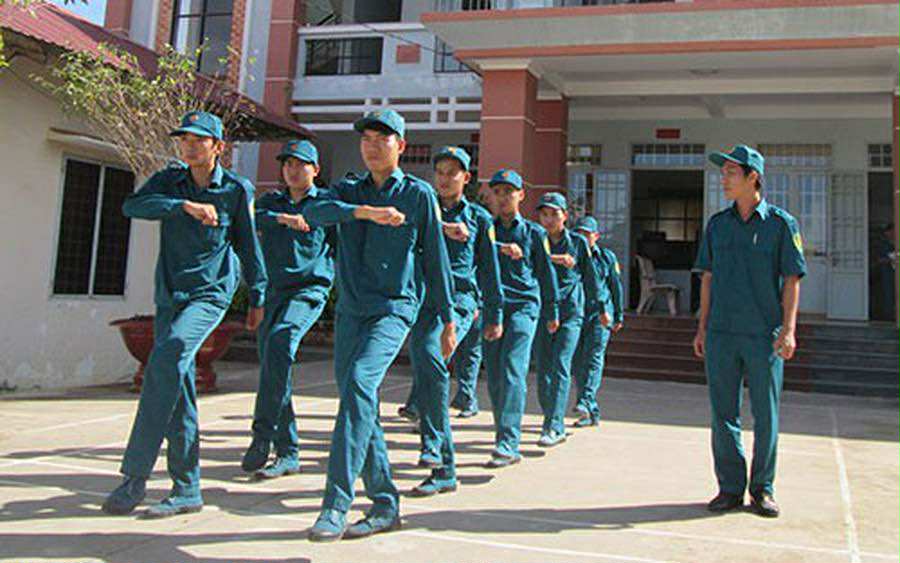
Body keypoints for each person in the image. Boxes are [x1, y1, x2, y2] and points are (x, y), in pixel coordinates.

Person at [301, 109, 457, 541]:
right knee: (358, 399)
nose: (372, 145)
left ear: (401, 146)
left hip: (395, 308)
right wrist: (366, 213)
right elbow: (316, 213)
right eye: (366, 138)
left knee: (357, 383)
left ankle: (335, 503)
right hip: (351, 310)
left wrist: (447, 319)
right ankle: (386, 503)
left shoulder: (419, 195)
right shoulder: (348, 190)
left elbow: (434, 259)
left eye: (382, 138)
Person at [102, 111, 268, 518]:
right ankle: (187, 487)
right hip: (170, 295)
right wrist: (184, 207)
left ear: (218, 147)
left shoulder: (235, 189)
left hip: (210, 293)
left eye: (199, 140)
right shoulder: (169, 180)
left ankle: (135, 476)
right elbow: (132, 206)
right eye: (185, 139)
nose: (190, 146)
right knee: (177, 382)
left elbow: (248, 244)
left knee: (170, 353)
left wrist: (258, 297)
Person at [693, 144, 806, 518]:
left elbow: (792, 279)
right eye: (722, 172)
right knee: (722, 413)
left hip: (764, 336)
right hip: (722, 333)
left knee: (766, 414)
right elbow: (707, 278)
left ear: (752, 177)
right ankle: (729, 488)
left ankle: (762, 489)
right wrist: (702, 327)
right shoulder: (717, 224)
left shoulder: (780, 224)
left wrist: (788, 330)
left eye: (730, 173)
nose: (723, 179)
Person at [406, 146, 504, 497]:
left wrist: (494, 313)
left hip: (460, 301)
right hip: (423, 300)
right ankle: (444, 468)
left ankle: (431, 442)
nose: (445, 178)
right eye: (440, 172)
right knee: (427, 365)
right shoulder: (421, 208)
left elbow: (490, 271)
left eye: (453, 172)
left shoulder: (480, 219)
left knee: (432, 357)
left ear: (466, 177)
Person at [240, 140, 335, 479]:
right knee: (273, 366)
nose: (293, 170)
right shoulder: (271, 203)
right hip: (274, 292)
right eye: (288, 164)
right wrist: (284, 218)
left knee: (281, 344)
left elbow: (344, 243)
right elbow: (249, 219)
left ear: (316, 170)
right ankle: (287, 450)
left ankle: (262, 434)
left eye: (301, 164)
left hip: (309, 291)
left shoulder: (325, 204)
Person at [484, 169, 559, 468]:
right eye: (497, 192)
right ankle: (502, 432)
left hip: (524, 307)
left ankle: (508, 442)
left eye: (508, 192)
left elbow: (546, 273)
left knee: (514, 370)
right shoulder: (485, 229)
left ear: (521, 195)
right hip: (492, 307)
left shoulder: (534, 233)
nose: (502, 198)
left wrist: (552, 310)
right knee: (494, 376)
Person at [533, 192, 598, 446]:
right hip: (542, 310)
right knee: (542, 370)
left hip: (570, 312)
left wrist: (600, 310)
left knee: (560, 365)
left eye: (554, 214)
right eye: (544, 214)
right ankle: (551, 414)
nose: (548, 220)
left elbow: (590, 278)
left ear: (565, 216)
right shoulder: (534, 240)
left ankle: (554, 425)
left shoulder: (578, 244)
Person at [571, 215, 624, 427]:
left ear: (596, 236)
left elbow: (615, 286)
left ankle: (584, 400)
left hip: (600, 315)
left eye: (586, 235)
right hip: (576, 313)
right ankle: (591, 410)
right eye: (578, 234)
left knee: (593, 358)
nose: (582, 239)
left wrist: (618, 315)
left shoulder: (607, 258)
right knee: (577, 362)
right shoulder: (570, 256)